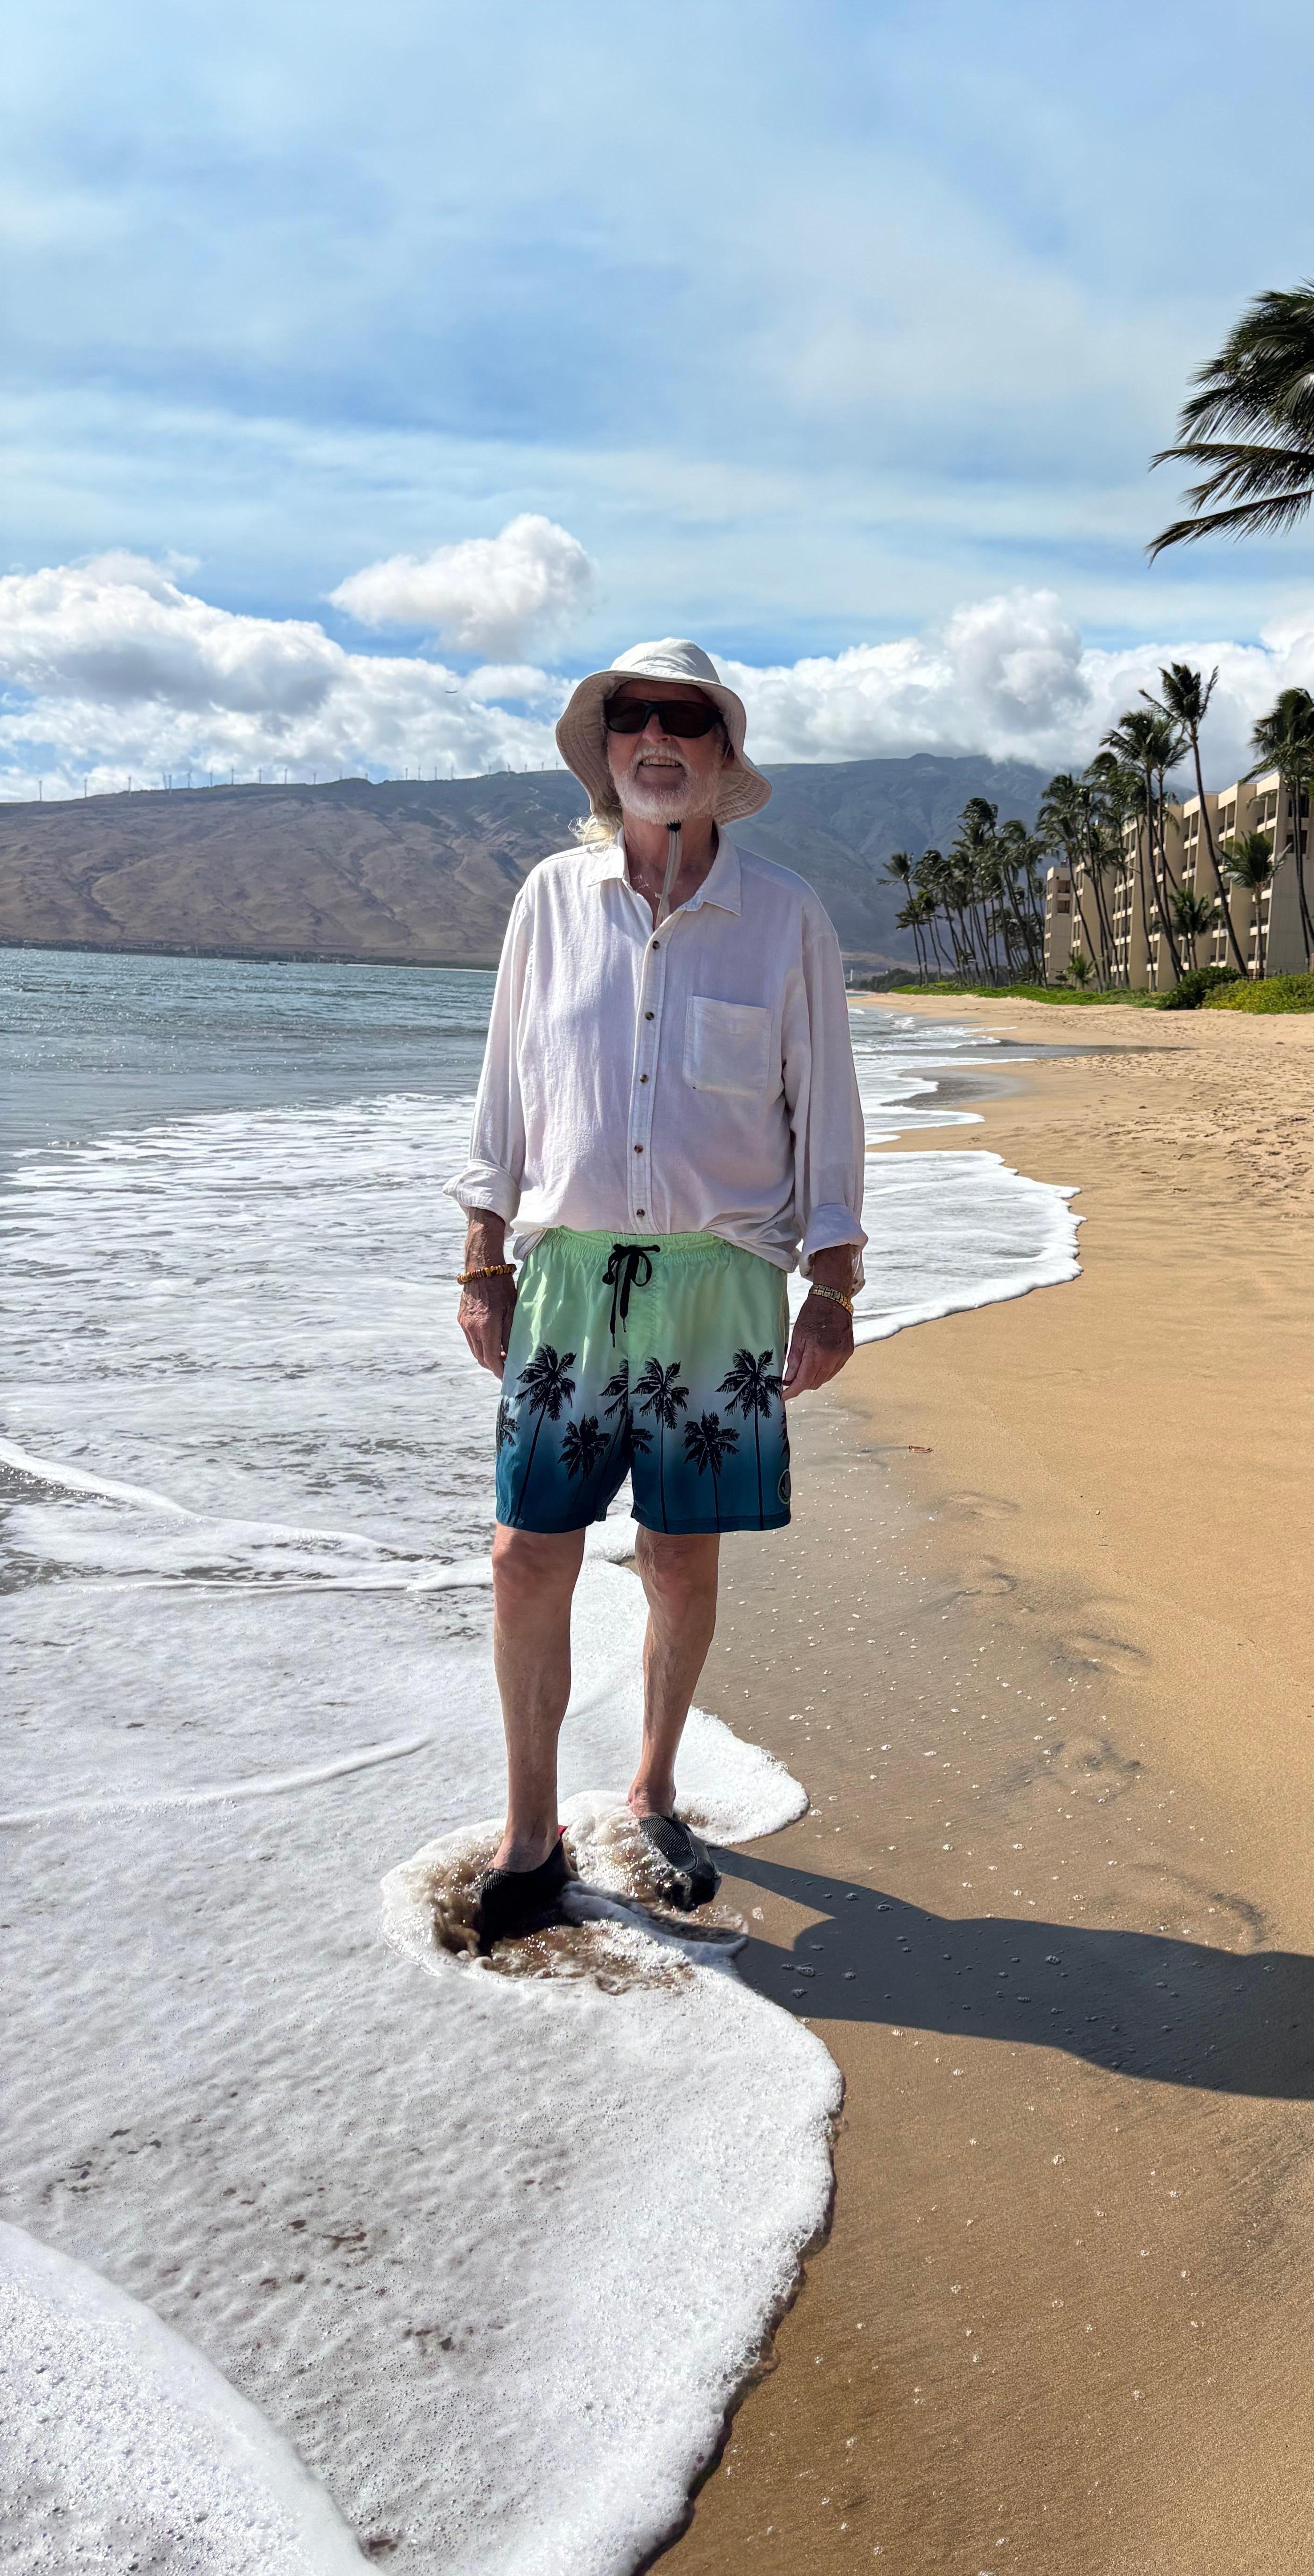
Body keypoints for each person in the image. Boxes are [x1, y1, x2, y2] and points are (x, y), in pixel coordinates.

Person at [448, 638, 865, 1945]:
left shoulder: (785, 916)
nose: (656, 737)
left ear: (722, 752)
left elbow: (827, 1106)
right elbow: (505, 1089)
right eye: (631, 716)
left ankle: (654, 1788)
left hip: (720, 1287)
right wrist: (482, 1254)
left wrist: (835, 1280)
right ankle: (530, 1832)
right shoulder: (549, 899)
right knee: (526, 1552)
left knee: (681, 1554)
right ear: (607, 747)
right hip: (568, 1276)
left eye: (684, 718)